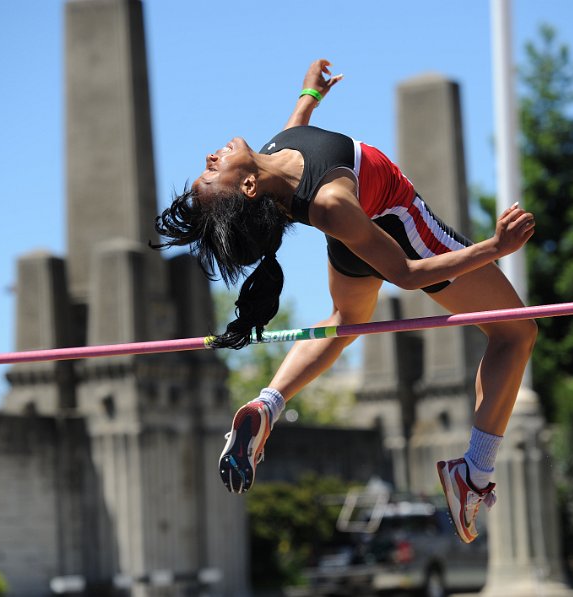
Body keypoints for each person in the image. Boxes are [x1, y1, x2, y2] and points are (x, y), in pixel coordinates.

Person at [153, 59, 537, 544]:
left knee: (345, 319)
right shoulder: (329, 203)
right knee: (516, 330)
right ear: (249, 186)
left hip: (358, 240)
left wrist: (309, 94)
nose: (209, 157)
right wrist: (494, 248)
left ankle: (267, 405)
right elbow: (406, 274)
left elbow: (297, 133)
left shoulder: (273, 155)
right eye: (211, 174)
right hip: (399, 229)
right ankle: (474, 474)